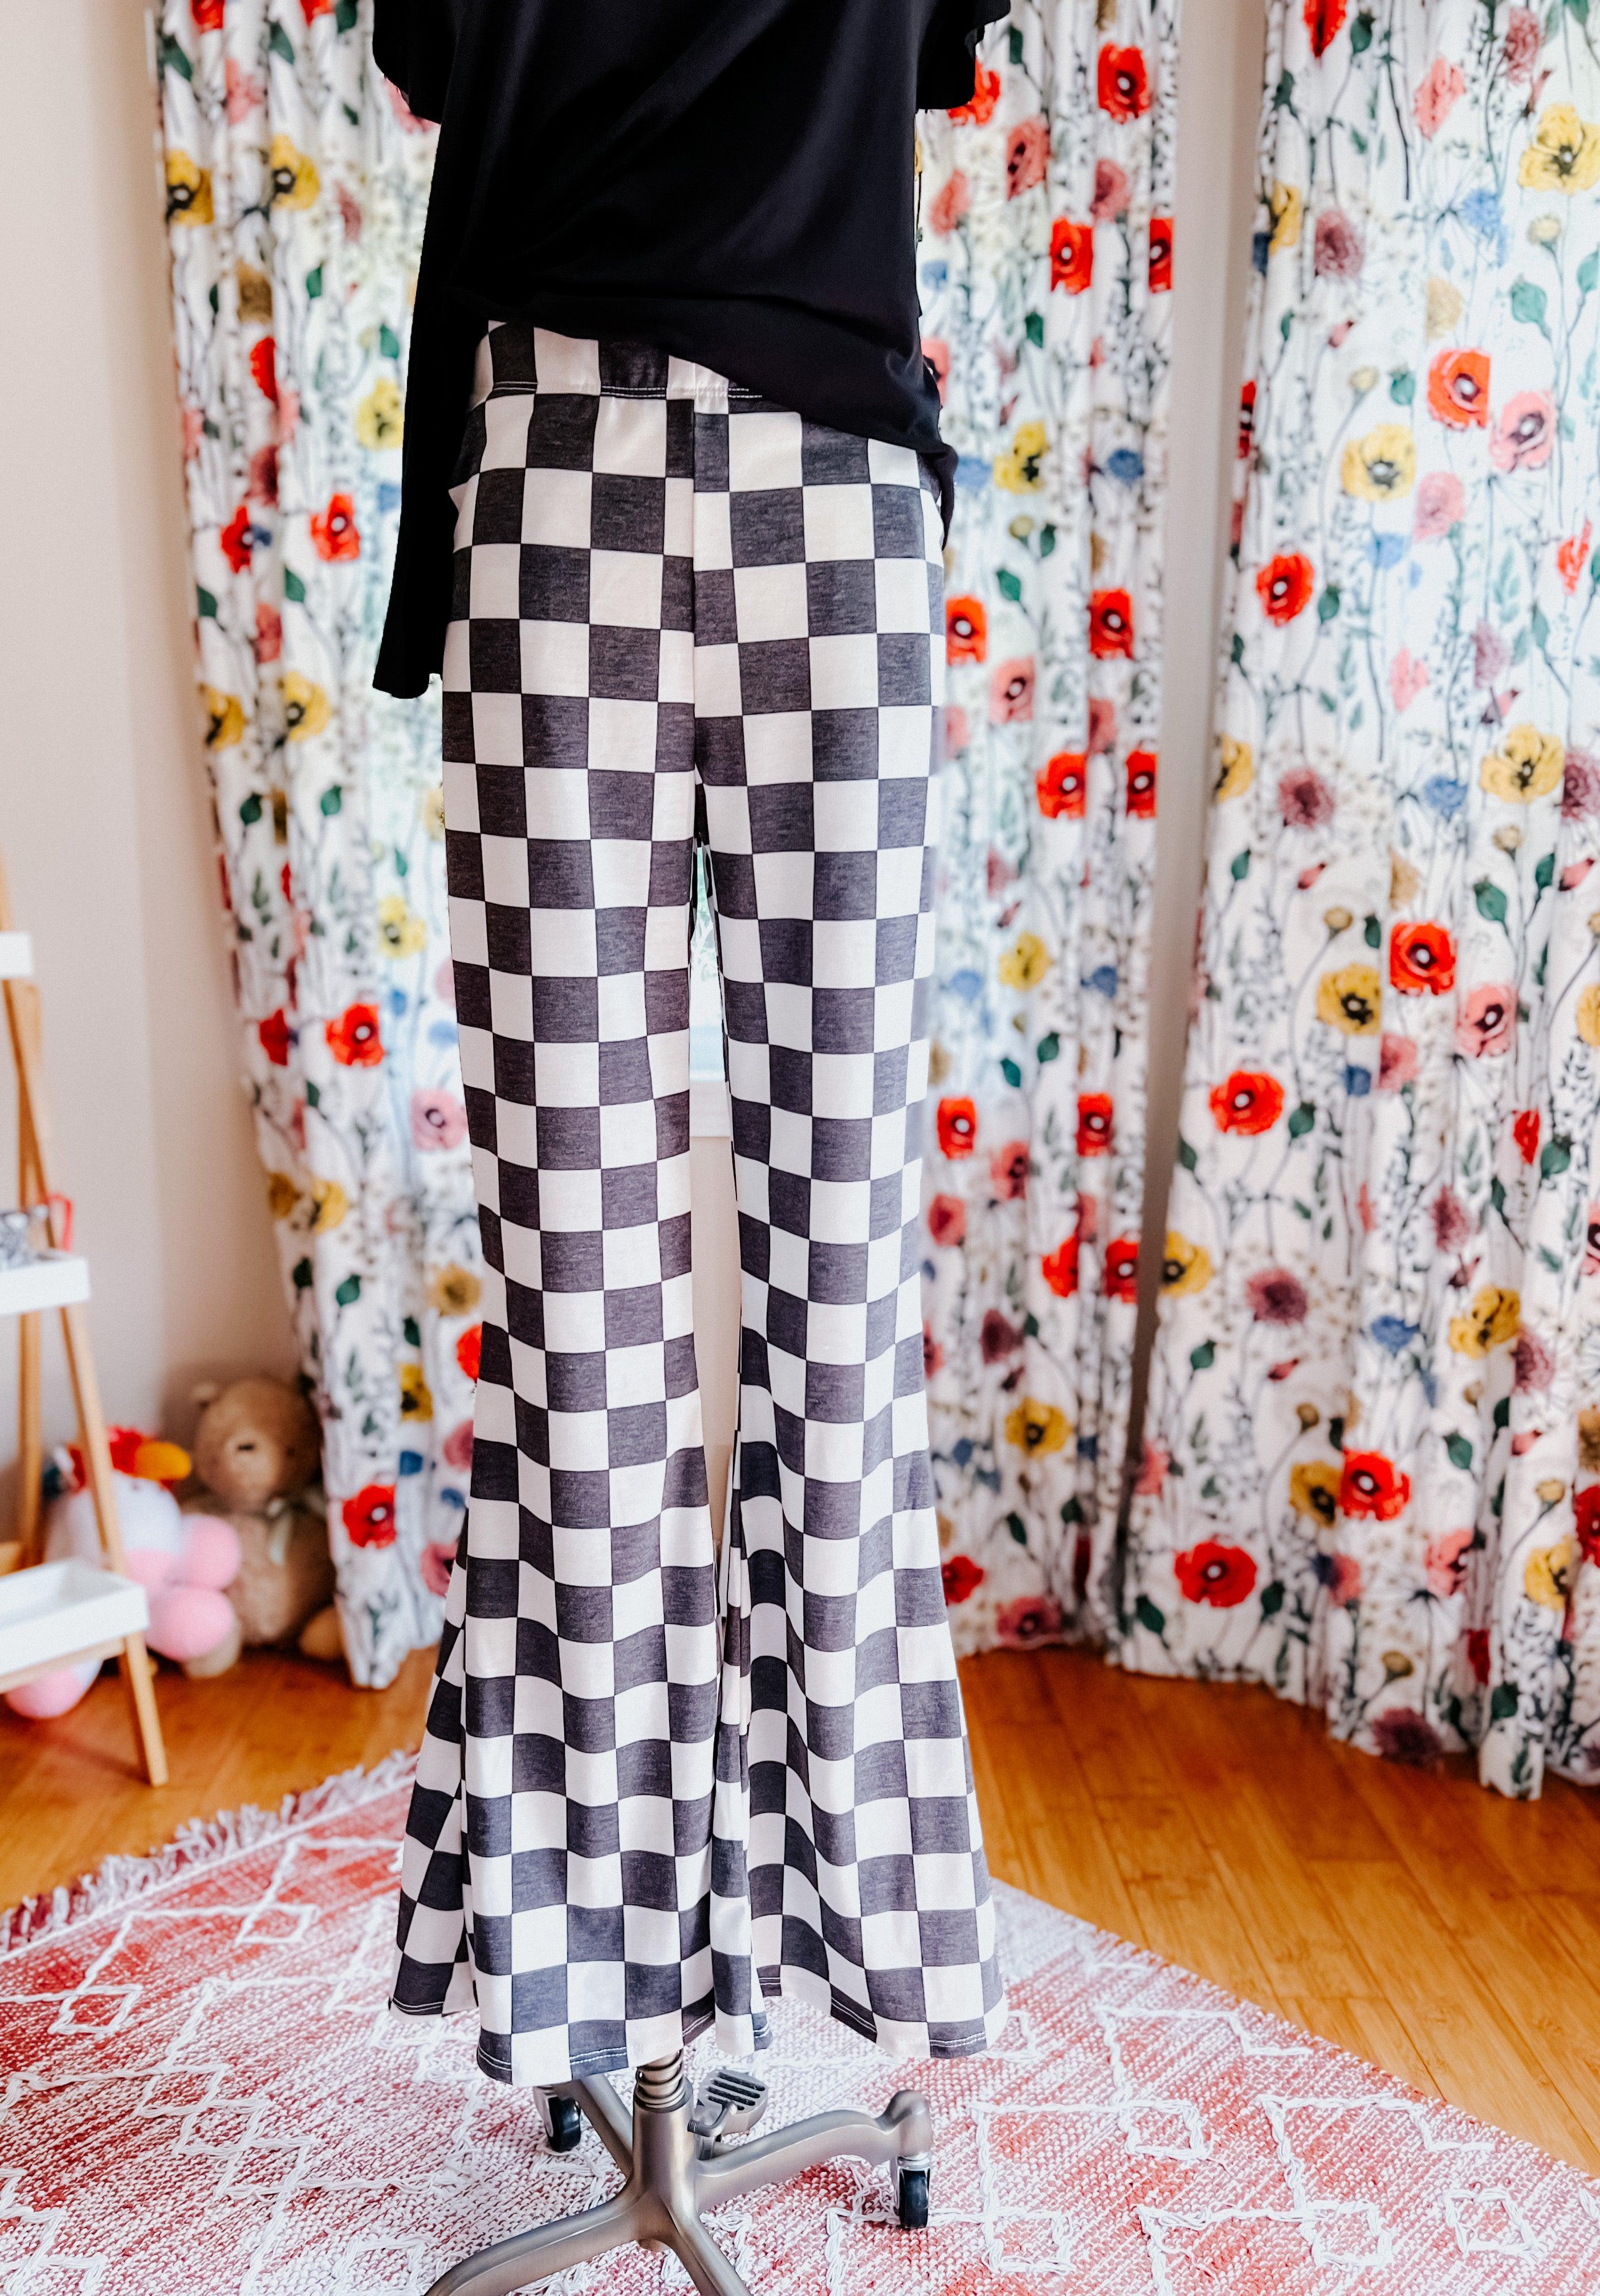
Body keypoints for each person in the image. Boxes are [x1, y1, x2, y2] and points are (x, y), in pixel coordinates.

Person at [379, 0, 1009, 2094]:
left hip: (572, 477)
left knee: (609, 1292)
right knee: (808, 1283)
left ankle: (610, 1975)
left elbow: (440, 65)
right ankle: (831, 1946)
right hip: (811, 502)